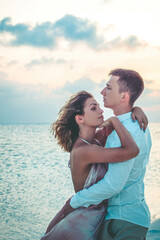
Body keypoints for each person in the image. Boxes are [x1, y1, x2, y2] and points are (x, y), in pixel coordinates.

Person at [41, 88, 148, 240]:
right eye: (93, 108)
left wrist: (136, 109)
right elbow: (131, 151)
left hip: (99, 216)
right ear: (80, 119)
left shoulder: (96, 140)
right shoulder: (83, 150)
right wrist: (115, 121)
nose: (100, 110)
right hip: (83, 221)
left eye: (98, 105)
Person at [68, 69, 152, 240]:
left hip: (124, 220)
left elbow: (113, 185)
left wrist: (74, 201)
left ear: (124, 97)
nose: (102, 92)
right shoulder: (137, 125)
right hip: (123, 217)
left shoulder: (124, 131)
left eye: (108, 88)